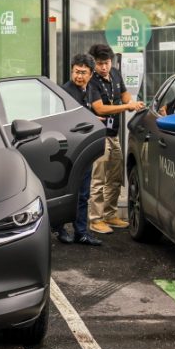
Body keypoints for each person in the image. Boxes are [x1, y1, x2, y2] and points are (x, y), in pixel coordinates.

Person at [86, 43, 145, 235]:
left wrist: (133, 103)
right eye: (100, 63)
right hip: (99, 136)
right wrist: (125, 107)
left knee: (116, 176)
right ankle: (95, 219)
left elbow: (125, 95)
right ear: (94, 63)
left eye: (107, 62)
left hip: (114, 134)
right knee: (98, 179)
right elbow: (100, 108)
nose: (104, 67)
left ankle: (110, 215)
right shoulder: (92, 82)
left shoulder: (116, 74)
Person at [57, 54, 102, 246]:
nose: (79, 76)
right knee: (64, 191)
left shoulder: (91, 89)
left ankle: (81, 232)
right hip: (66, 151)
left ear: (91, 74)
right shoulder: (64, 92)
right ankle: (60, 229)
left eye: (83, 72)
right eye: (76, 71)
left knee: (84, 193)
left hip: (84, 148)